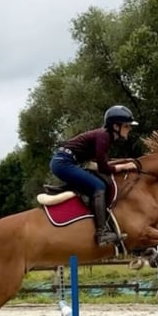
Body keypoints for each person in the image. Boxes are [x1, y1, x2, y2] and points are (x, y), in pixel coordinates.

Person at [49, 105, 139, 246]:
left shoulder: (105, 136)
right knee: (99, 185)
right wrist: (124, 166)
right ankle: (102, 233)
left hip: (64, 162)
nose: (130, 129)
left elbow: (98, 164)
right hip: (64, 163)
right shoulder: (103, 136)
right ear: (116, 126)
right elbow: (103, 167)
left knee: (96, 181)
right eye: (127, 126)